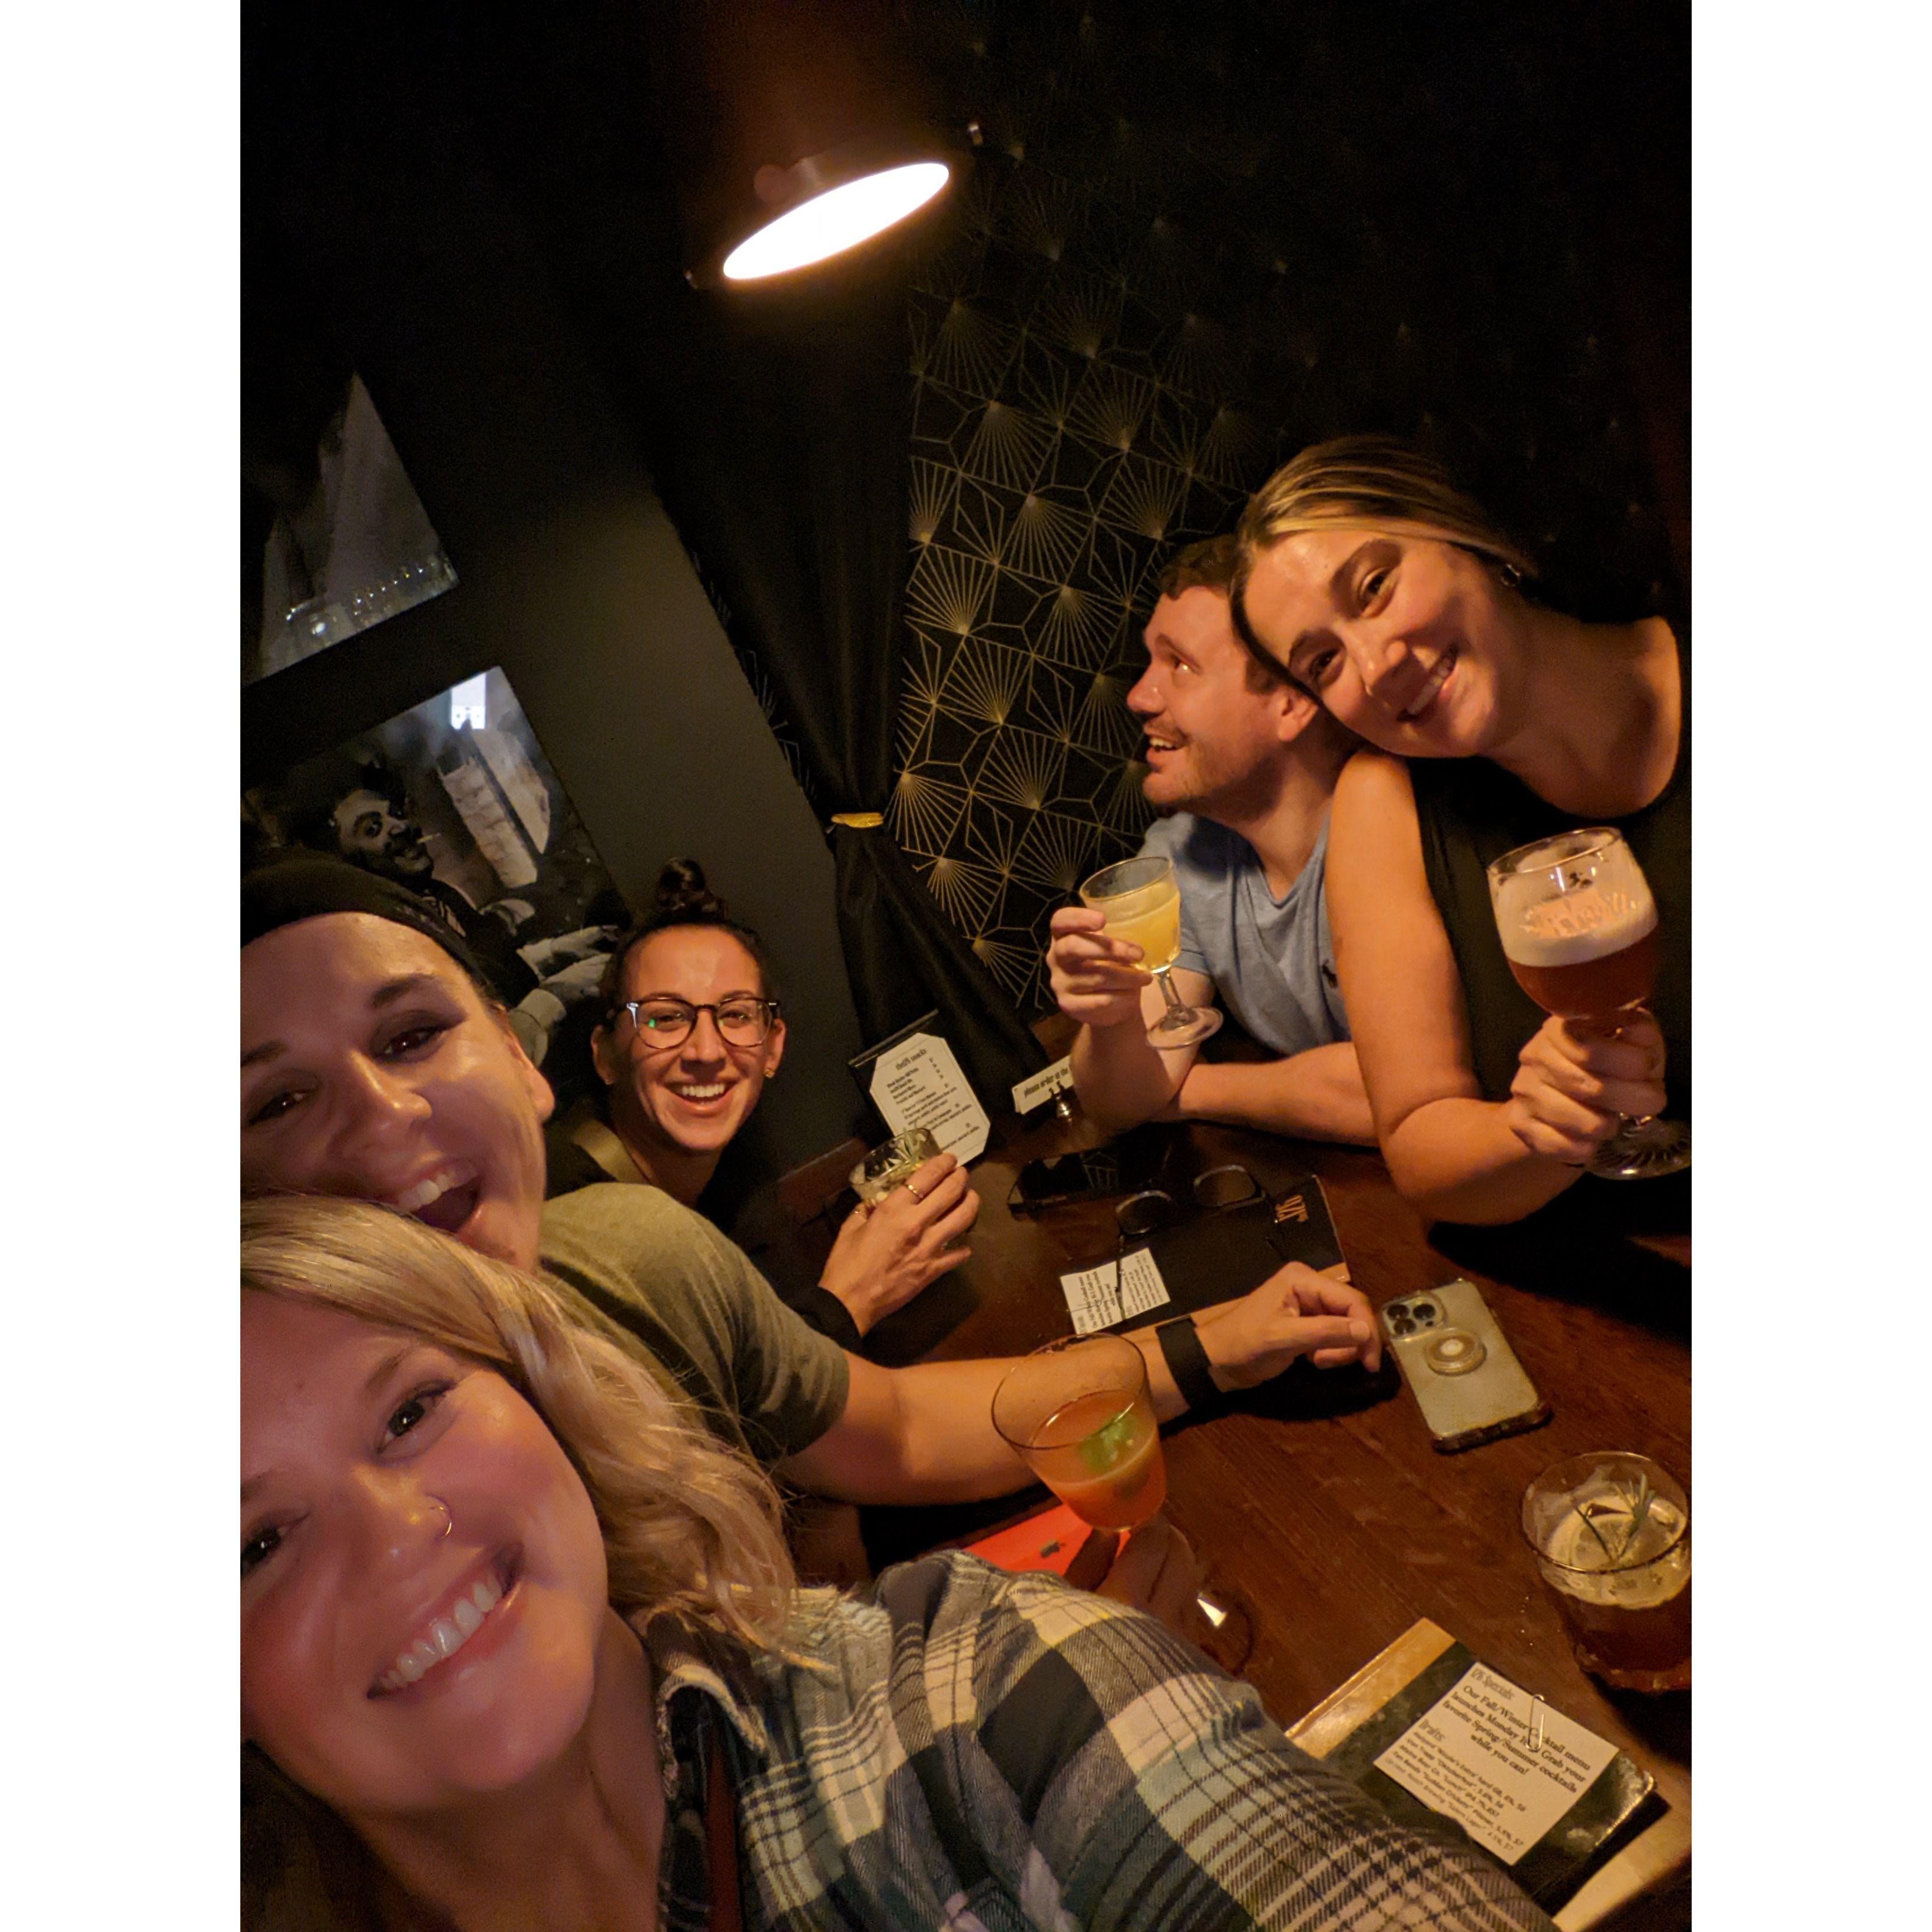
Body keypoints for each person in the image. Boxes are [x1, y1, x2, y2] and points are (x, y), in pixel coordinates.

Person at [242, 1193, 1553, 1932]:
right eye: (248, 1543)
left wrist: (1200, 1346)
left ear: (552, 1406)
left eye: (410, 1411)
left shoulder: (975, 1695)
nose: (396, 1533)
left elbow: (901, 1426)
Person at [240, 854, 1384, 1515]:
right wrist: (845, 1306)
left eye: (410, 1037)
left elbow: (894, 1427)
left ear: (513, 1054)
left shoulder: (640, 1250)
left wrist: (1218, 1339)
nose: (382, 1116)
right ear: (600, 1053)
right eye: (276, 1100)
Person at [1231, 436, 1688, 1229]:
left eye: (1374, 586)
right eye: (1323, 662)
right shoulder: (1384, 802)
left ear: (1468, 537)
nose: (1374, 667)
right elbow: (1422, 1152)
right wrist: (1537, 1130)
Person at [555, 857, 976, 1348]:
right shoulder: (573, 1224)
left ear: (773, 1048)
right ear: (606, 1056)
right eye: (665, 1018)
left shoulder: (740, 1193)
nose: (706, 1052)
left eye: (736, 1015)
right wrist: (850, 1302)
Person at [1045, 536, 1374, 1144]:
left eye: (1179, 665)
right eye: (1150, 661)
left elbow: (1402, 1090)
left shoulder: (1390, 823)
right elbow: (1117, 1103)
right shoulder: (1182, 852)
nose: (1139, 697)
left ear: (1291, 703)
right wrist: (1113, 1019)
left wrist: (1191, 1092)